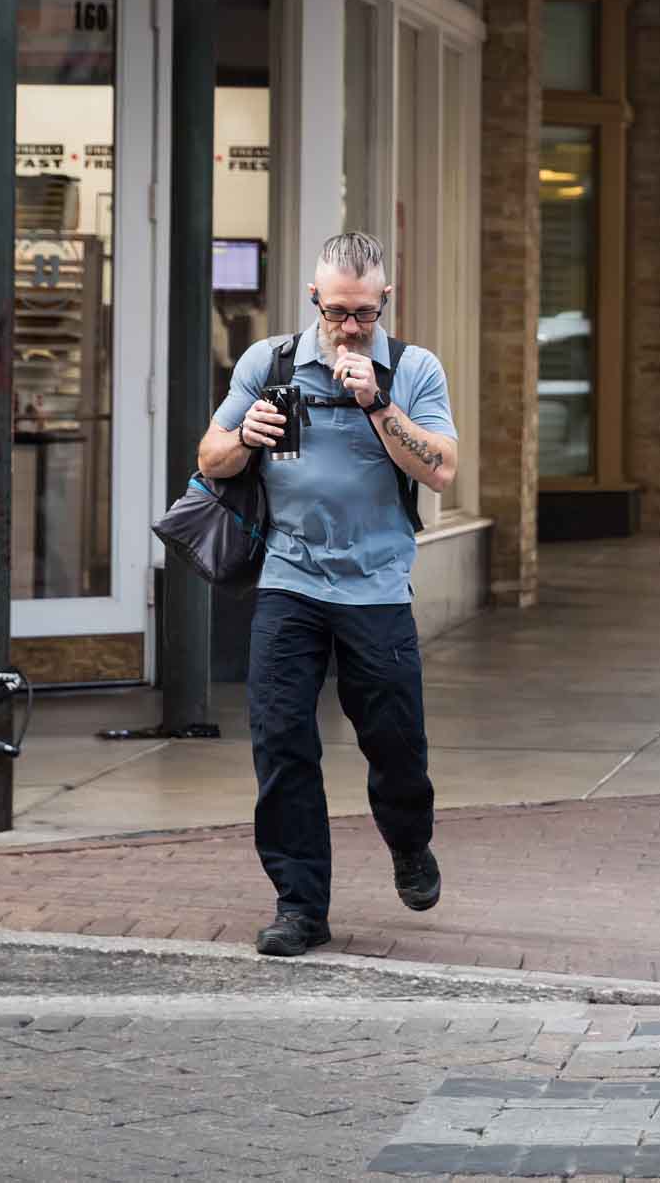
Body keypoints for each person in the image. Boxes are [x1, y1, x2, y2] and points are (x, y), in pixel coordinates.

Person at [197, 232, 459, 958]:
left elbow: (441, 471)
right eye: (338, 311)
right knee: (282, 743)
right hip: (289, 581)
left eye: (364, 313)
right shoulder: (270, 362)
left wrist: (376, 404)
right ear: (314, 299)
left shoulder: (412, 369)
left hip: (376, 588)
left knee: (396, 744)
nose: (350, 326)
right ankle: (300, 905)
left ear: (385, 302)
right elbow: (209, 455)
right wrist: (243, 435)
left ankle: (409, 841)